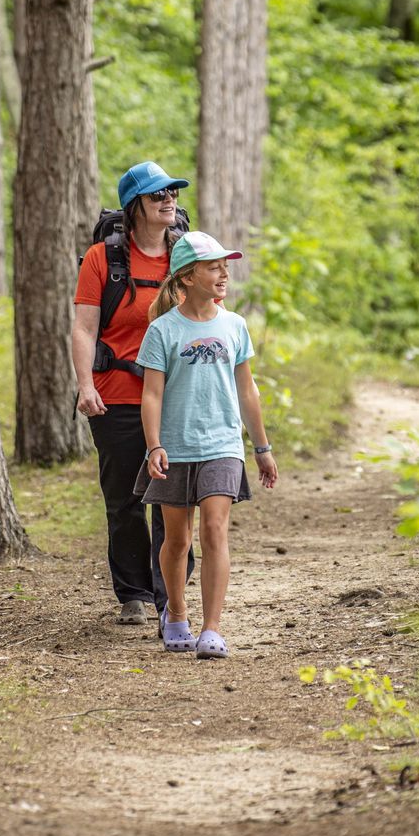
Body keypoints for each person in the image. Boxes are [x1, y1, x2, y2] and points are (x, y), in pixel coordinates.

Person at [137, 232, 278, 659]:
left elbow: (247, 390)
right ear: (188, 275)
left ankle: (212, 628)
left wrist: (261, 447)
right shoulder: (163, 330)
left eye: (225, 265)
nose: (223, 273)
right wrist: (154, 445)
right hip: (176, 447)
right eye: (214, 266)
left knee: (215, 530)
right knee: (177, 540)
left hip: (222, 444)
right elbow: (152, 395)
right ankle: (176, 614)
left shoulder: (234, 325)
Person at [72, 160, 193, 627]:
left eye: (173, 194)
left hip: (175, 398)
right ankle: (134, 593)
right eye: (158, 194)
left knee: (174, 498)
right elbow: (85, 328)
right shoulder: (102, 259)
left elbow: (209, 321)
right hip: (116, 395)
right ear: (134, 205)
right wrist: (85, 385)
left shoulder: (186, 256)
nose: (169, 200)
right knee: (124, 499)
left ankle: (172, 597)